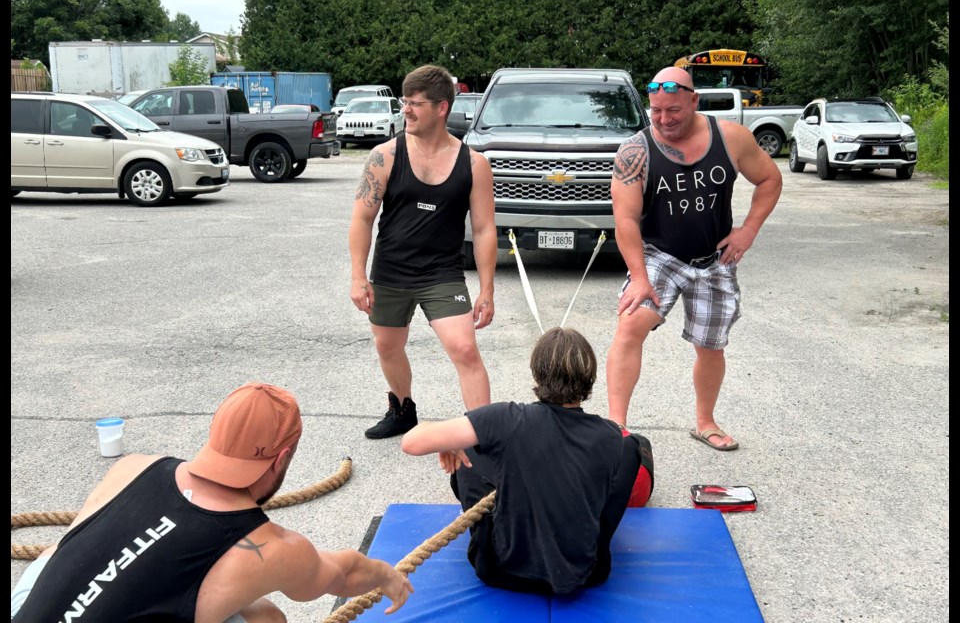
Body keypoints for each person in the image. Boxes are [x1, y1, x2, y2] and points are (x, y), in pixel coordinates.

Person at [10, 383, 413, 622]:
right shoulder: (272, 549)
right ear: (282, 457)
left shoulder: (133, 466)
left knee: (53, 555)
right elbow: (341, 575)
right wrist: (388, 576)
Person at [606, 67, 782, 451]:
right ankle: (615, 427)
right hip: (659, 255)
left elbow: (770, 180)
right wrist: (639, 277)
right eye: (656, 111)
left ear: (693, 101)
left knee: (711, 344)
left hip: (713, 258)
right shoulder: (635, 151)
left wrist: (748, 230)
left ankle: (705, 422)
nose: (664, 120)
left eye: (673, 111)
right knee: (630, 325)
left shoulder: (731, 139)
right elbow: (625, 221)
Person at [400, 327, 654, 594]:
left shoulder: (505, 419)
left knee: (471, 452)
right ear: (590, 378)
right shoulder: (610, 436)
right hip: (587, 573)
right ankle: (591, 539)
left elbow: (411, 442)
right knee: (633, 447)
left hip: (499, 570)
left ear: (536, 375)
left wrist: (451, 441)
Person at [349, 64, 497, 440]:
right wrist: (358, 276)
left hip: (442, 273)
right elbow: (362, 218)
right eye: (405, 102)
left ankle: (481, 435)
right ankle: (402, 409)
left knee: (464, 349)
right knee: (388, 345)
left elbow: (483, 229)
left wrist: (487, 290)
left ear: (442, 107)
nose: (407, 111)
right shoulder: (385, 156)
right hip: (391, 271)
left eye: (416, 104)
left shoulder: (474, 164)